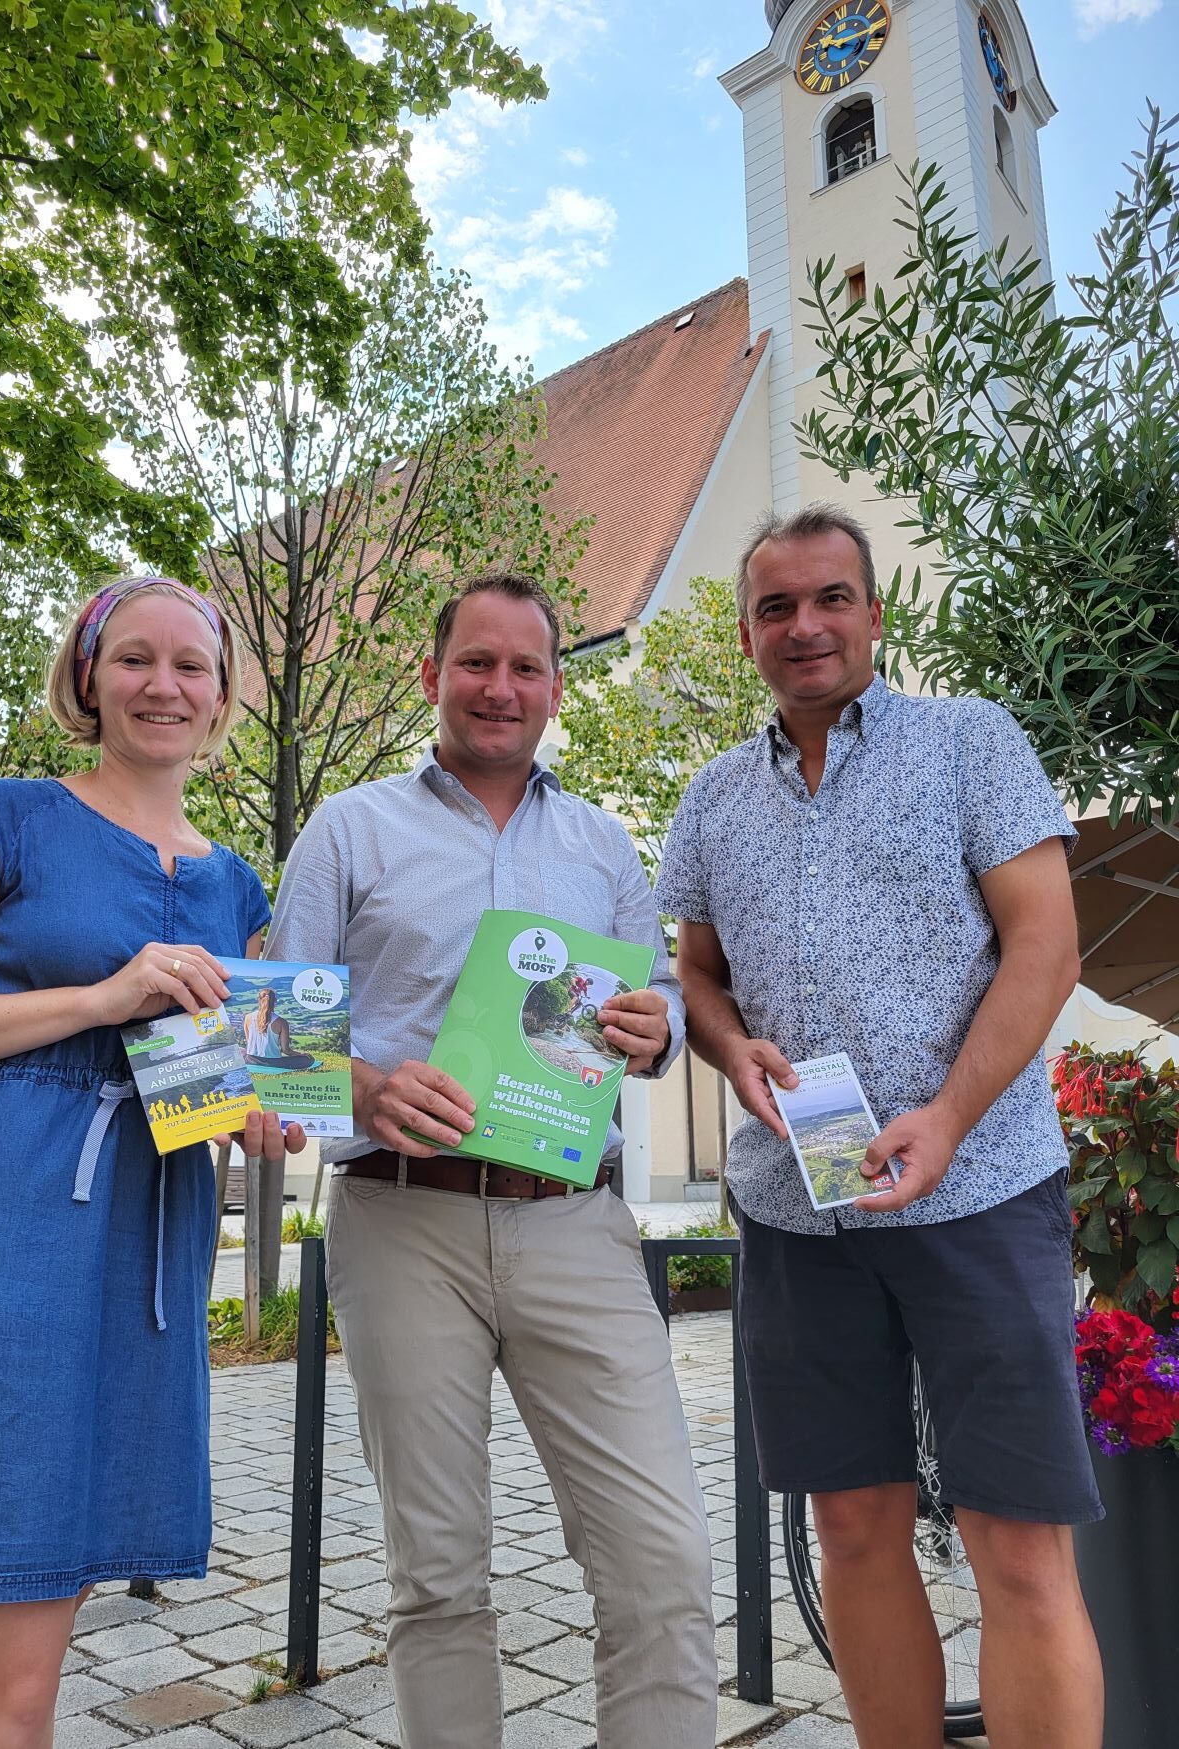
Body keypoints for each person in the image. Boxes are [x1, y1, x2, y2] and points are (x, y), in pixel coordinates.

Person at [656, 504, 1104, 1749]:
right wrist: (724, 1038)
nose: (804, 626)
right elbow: (694, 972)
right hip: (799, 1210)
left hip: (980, 1192)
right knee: (850, 1529)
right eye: (775, 607)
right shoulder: (710, 799)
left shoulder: (970, 743)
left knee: (1014, 1545)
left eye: (829, 598)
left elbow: (1046, 946)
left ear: (872, 610)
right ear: (747, 632)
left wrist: (952, 1118)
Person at [267, 572, 718, 1749]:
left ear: (557, 689)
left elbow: (652, 999)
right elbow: (277, 1042)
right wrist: (361, 1081)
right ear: (431, 677)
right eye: (476, 662)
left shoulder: (603, 841)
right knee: (437, 1573)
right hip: (400, 1217)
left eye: (526, 668)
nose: (500, 688)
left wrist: (655, 1025)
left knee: (663, 1558)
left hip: (576, 1222)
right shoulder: (350, 827)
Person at [0, 575, 302, 1749]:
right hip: (5, 1223)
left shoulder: (235, 885)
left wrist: (263, 1116)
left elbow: (215, 1079)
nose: (164, 685)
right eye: (135, 660)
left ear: (221, 698)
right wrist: (99, 998)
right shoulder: (3, 817)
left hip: (147, 1251)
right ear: (88, 677)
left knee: (38, 1657)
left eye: (191, 667)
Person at [243, 986, 290, 1059]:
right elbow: (286, 1050)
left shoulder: (247, 1017)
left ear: (259, 1000)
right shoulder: (282, 1022)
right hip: (273, 1062)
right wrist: (302, 1054)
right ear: (274, 1001)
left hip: (251, 1060)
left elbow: (249, 1041)